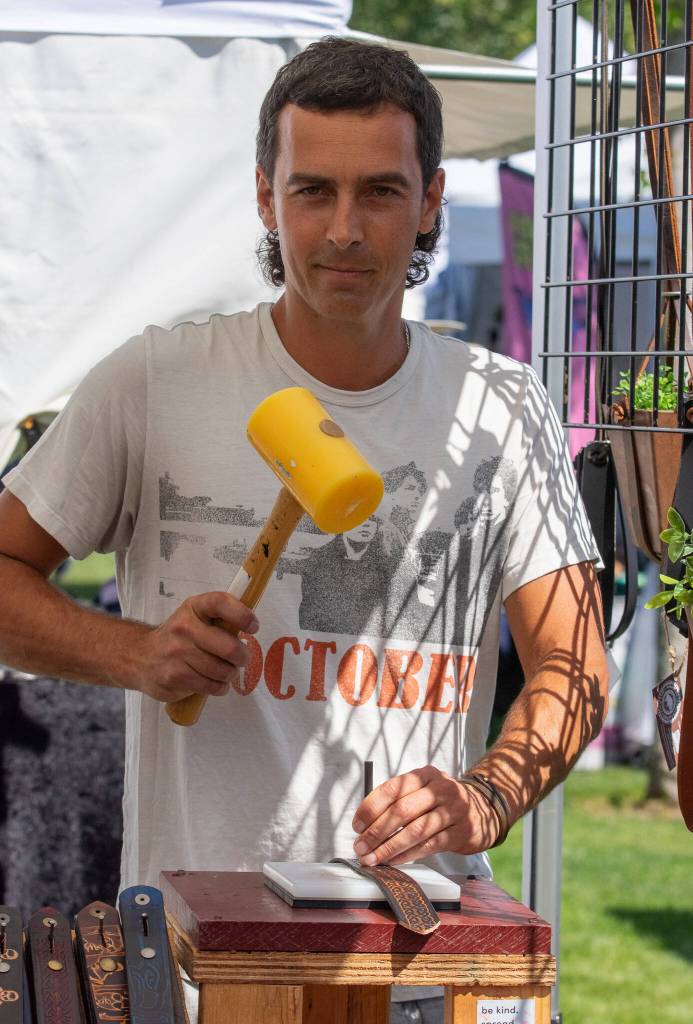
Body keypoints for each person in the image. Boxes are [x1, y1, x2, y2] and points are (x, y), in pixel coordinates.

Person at [0, 36, 609, 1022]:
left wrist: (486, 794)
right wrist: (137, 651)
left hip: (425, 964)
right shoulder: (156, 382)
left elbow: (576, 662)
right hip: (199, 968)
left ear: (431, 200)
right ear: (262, 195)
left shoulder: (504, 407)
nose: (343, 229)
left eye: (378, 191)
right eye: (312, 190)